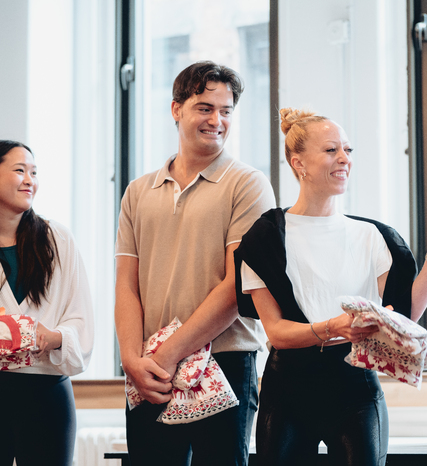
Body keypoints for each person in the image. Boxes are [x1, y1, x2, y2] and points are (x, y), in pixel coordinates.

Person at [233, 107, 427, 466]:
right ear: (298, 163)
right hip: (287, 389)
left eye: (348, 150)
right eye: (331, 150)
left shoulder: (374, 236)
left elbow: (406, 316)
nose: (344, 159)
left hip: (355, 388)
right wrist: (332, 327)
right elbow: (276, 332)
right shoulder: (266, 237)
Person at [114, 61, 275, 466]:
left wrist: (165, 356)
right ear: (176, 110)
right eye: (205, 108)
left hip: (223, 360)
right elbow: (125, 286)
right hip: (149, 370)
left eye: (226, 111)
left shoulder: (248, 184)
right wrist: (132, 359)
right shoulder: (137, 192)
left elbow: (234, 288)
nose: (217, 120)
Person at [0, 140, 94, 466]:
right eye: (19, 170)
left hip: (45, 392)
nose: (30, 180)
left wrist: (54, 337)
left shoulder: (58, 240)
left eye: (34, 172)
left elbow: (80, 317)